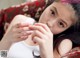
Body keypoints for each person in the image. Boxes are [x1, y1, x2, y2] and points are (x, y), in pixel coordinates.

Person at [0, 0, 80, 58]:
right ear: (48, 5)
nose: (50, 23)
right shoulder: (21, 21)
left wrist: (46, 54)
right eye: (52, 12)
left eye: (61, 24)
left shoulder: (62, 43)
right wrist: (7, 41)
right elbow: (2, 55)